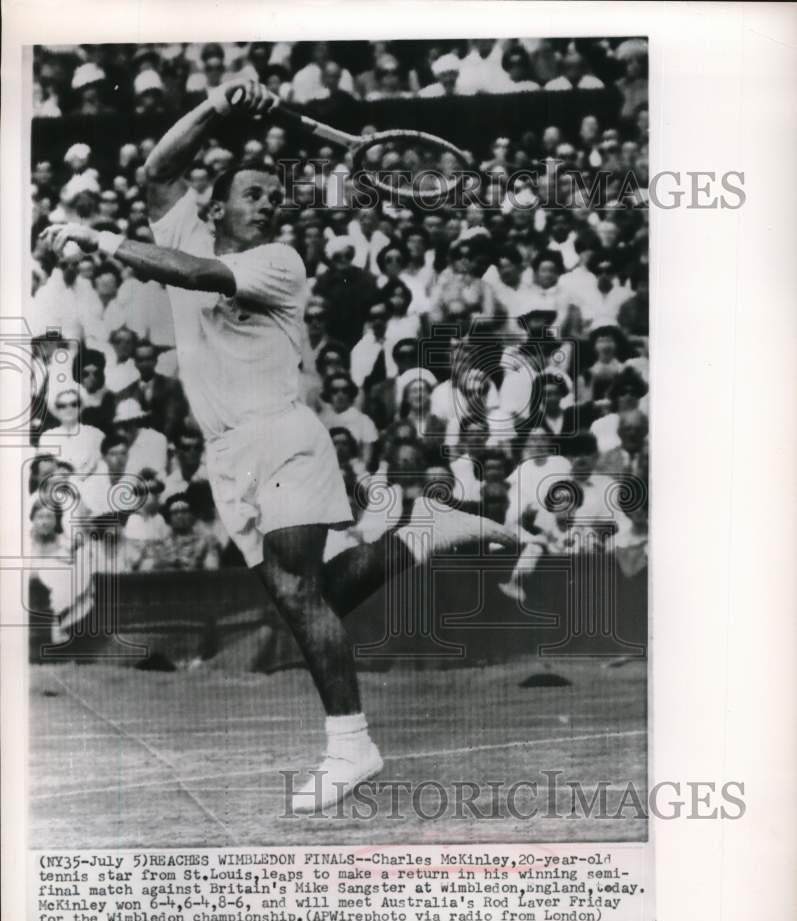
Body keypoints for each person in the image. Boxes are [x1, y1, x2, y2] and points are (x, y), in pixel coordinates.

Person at [41, 77, 518, 813]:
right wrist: (217, 108)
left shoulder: (279, 263)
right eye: (253, 193)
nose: (269, 203)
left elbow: (195, 275)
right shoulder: (181, 229)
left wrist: (95, 235)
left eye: (274, 195)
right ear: (217, 204)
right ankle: (425, 530)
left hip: (284, 436)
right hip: (228, 453)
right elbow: (156, 173)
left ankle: (350, 744)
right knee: (310, 598)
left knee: (297, 594)